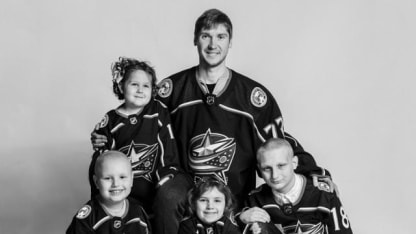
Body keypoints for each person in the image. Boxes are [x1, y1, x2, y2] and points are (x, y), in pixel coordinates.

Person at [92, 8, 334, 234]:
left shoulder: (252, 96)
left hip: (234, 194)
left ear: (230, 42)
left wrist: (314, 171)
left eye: (220, 36)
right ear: (195, 39)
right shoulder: (171, 90)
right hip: (187, 187)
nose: (213, 44)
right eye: (206, 36)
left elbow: (278, 143)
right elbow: (136, 120)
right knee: (167, 194)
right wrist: (107, 133)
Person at [89, 57, 181, 213]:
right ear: (121, 86)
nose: (140, 90)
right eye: (134, 84)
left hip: (154, 186)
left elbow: (168, 146)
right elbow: (103, 156)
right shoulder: (111, 120)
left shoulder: (157, 112)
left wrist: (166, 176)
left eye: (146, 86)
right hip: (123, 190)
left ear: (152, 90)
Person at [239, 139, 352, 234]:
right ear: (259, 169)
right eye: (267, 168)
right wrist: (240, 218)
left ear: (294, 163)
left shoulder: (323, 193)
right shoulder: (255, 198)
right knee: (255, 225)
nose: (275, 175)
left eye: (281, 165)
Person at [66, 151, 151, 234]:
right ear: (96, 182)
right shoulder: (88, 218)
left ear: (131, 179)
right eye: (107, 178)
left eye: (122, 177)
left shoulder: (138, 212)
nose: (116, 184)